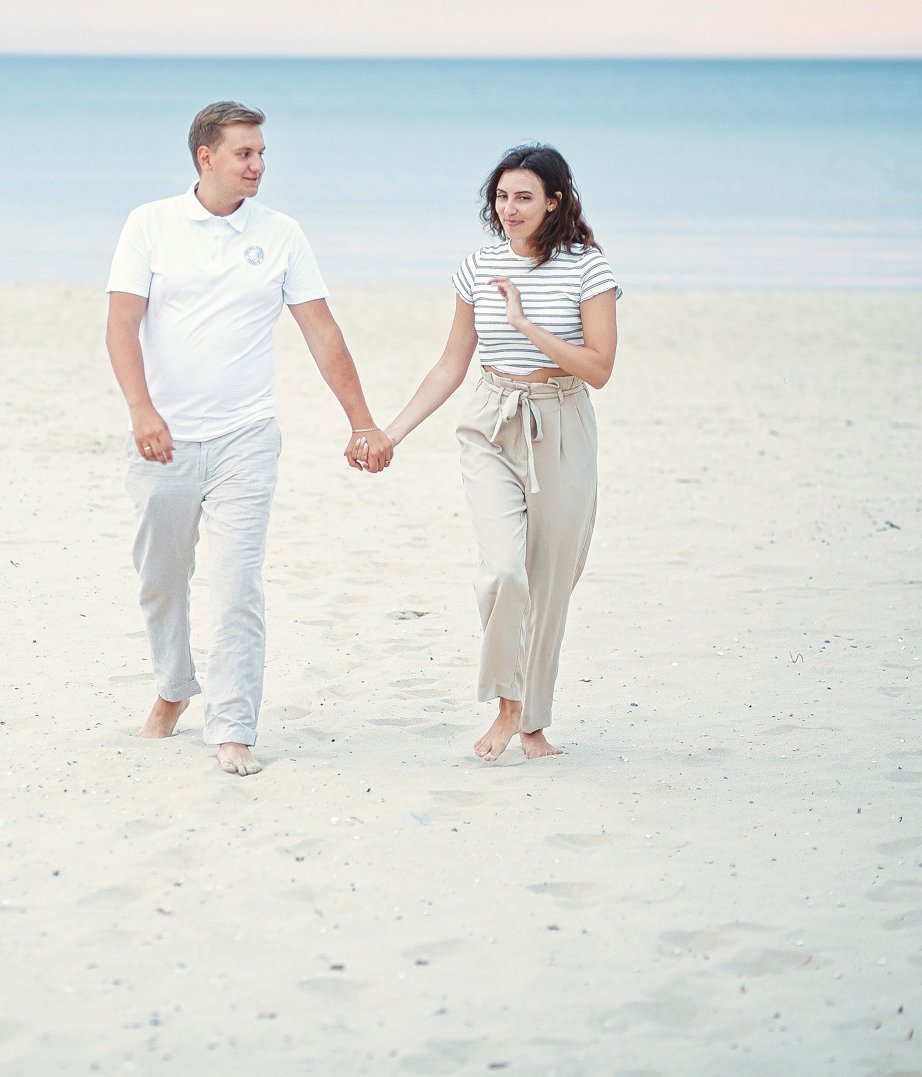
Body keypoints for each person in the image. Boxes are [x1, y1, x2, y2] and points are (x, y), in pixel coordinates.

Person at [106, 101, 393, 776]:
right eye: (245, 153)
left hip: (246, 439)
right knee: (160, 580)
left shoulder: (283, 234)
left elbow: (323, 333)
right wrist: (142, 410)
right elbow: (121, 326)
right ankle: (174, 687)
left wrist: (362, 419)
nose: (258, 165)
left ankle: (233, 726)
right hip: (163, 440)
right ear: (206, 156)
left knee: (237, 585)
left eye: (261, 153)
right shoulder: (149, 225)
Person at [381, 144, 619, 762]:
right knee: (504, 571)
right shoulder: (476, 266)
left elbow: (599, 368)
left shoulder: (587, 269)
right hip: (490, 421)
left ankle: (533, 723)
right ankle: (508, 705)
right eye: (502, 196)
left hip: (561, 422)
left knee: (549, 583)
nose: (509, 209)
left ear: (554, 202)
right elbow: (450, 364)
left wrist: (526, 325)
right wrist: (392, 432)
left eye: (524, 198)